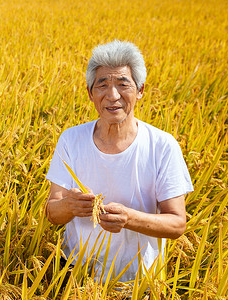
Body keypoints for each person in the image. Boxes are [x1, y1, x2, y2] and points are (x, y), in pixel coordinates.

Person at [45, 40, 194, 282]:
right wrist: (69, 206)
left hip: (138, 278)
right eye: (102, 85)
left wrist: (129, 218)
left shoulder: (163, 146)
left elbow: (177, 224)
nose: (113, 95)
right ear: (90, 93)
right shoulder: (71, 139)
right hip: (76, 269)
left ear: (141, 90)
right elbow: (52, 213)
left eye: (123, 84)